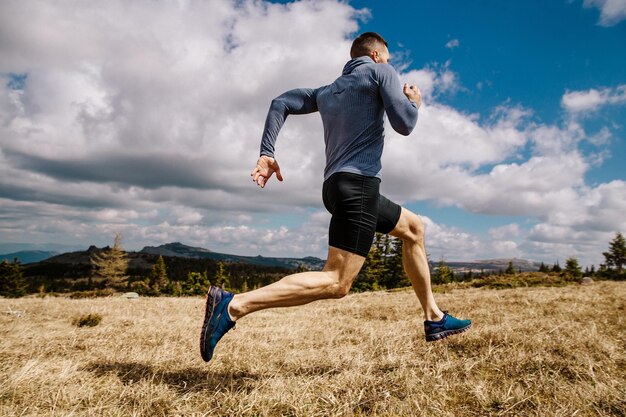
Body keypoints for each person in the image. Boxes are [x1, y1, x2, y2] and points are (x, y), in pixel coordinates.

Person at [200, 32, 471, 362]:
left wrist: (267, 152)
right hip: (358, 189)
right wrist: (414, 102)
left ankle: (434, 318)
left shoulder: (327, 92)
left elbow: (280, 103)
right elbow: (405, 124)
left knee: (414, 229)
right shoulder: (380, 71)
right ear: (375, 56)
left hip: (338, 187)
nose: (390, 66)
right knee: (337, 282)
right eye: (387, 59)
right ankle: (233, 305)